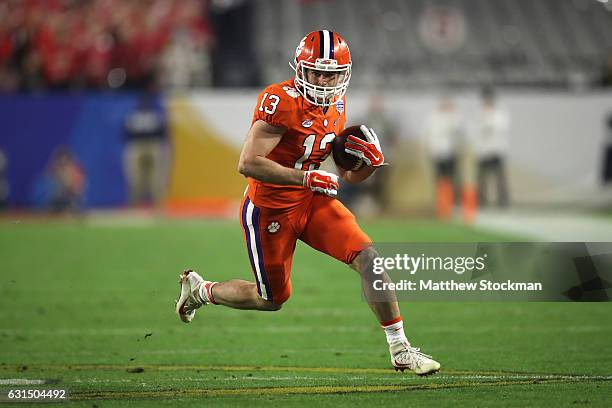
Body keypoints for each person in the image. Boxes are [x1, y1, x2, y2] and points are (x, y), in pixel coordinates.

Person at [174, 30, 440, 375]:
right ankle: (203, 290)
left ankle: (400, 348)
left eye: (331, 73)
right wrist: (304, 177)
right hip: (269, 208)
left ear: (343, 74)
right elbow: (248, 163)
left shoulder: (339, 104)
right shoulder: (279, 101)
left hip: (311, 201)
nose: (323, 80)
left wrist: (368, 164)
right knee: (272, 299)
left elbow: (349, 176)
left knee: (369, 260)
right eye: (316, 72)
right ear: (301, 69)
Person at [123, 92, 168, 206]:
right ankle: (135, 204)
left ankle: (158, 205)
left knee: (155, 178)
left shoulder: (153, 116)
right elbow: (126, 133)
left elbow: (162, 133)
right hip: (138, 145)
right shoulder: (134, 116)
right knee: (136, 177)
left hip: (152, 145)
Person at [426, 95, 463, 218]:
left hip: (450, 153)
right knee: (439, 181)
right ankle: (442, 206)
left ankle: (451, 205)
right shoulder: (434, 117)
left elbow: (458, 132)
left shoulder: (454, 117)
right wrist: (432, 151)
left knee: (451, 180)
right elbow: (430, 135)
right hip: (438, 154)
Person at [473, 87, 510, 207]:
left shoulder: (499, 113)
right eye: (485, 98)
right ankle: (481, 201)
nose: (487, 101)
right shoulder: (478, 113)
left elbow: (501, 128)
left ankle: (502, 201)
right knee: (482, 178)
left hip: (496, 150)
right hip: (483, 151)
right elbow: (475, 130)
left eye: (489, 98)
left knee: (499, 177)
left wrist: (488, 123)